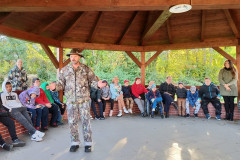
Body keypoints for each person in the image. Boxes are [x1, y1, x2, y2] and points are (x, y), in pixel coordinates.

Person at [48, 48, 106, 152]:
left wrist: (97, 84)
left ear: (79, 57)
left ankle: (88, 143)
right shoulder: (64, 70)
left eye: (74, 56)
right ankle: (74, 142)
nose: (72, 58)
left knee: (86, 121)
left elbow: (92, 82)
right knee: (72, 122)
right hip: (71, 101)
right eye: (71, 56)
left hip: (84, 100)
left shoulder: (86, 69)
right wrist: (54, 87)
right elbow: (61, 83)